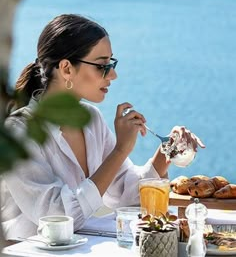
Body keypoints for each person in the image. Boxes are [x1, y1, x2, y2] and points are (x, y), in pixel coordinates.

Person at [1, 14, 205, 239]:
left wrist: (166, 152)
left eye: (111, 63)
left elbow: (125, 195)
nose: (113, 75)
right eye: (102, 66)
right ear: (67, 69)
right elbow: (58, 217)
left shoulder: (91, 119)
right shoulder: (19, 132)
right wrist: (120, 151)